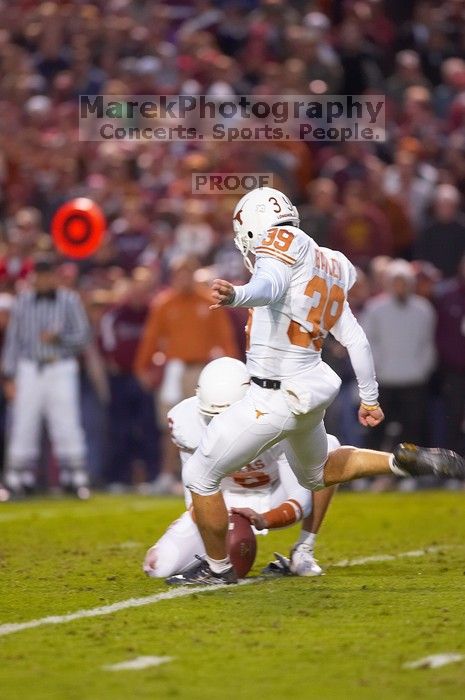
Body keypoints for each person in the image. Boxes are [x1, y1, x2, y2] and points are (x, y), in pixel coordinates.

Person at [171, 187, 464, 586]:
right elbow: (356, 338)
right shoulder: (329, 262)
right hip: (310, 388)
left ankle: (218, 569)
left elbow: (270, 285)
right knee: (319, 473)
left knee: (201, 475)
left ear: (255, 227)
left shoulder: (280, 243)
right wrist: (370, 398)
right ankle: (399, 462)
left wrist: (239, 294)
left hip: (273, 392)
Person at [143, 357, 338, 580]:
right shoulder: (185, 422)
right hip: (218, 502)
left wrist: (265, 518)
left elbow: (300, 500)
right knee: (157, 566)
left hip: (272, 494)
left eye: (227, 416)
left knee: (327, 450)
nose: (220, 425)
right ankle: (214, 561)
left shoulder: (275, 419)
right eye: (212, 417)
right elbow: (193, 496)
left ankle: (304, 549)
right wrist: (221, 524)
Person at [134, 255, 239, 494]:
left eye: (187, 272)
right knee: (170, 426)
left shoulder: (208, 301)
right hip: (174, 370)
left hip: (202, 370)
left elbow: (225, 338)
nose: (183, 278)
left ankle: (209, 476)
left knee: (207, 424)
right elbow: (150, 339)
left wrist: (232, 369)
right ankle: (166, 475)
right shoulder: (164, 304)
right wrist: (142, 367)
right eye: (179, 273)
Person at [1, 257, 91, 499]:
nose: (43, 280)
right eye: (39, 275)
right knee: (23, 422)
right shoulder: (22, 302)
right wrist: (8, 375)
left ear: (55, 276)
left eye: (47, 275)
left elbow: (83, 336)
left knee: (66, 422)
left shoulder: (69, 300)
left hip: (60, 366)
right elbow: (13, 341)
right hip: (29, 367)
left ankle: (74, 476)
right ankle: (18, 477)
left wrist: (59, 338)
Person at [361, 259, 437, 451]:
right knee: (376, 428)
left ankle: (411, 473)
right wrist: (379, 367)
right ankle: (371, 473)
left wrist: (422, 368)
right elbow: (368, 342)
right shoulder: (375, 309)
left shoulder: (423, 309)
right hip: (384, 380)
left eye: (404, 282)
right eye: (396, 282)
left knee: (413, 429)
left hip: (414, 380)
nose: (400, 287)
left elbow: (427, 343)